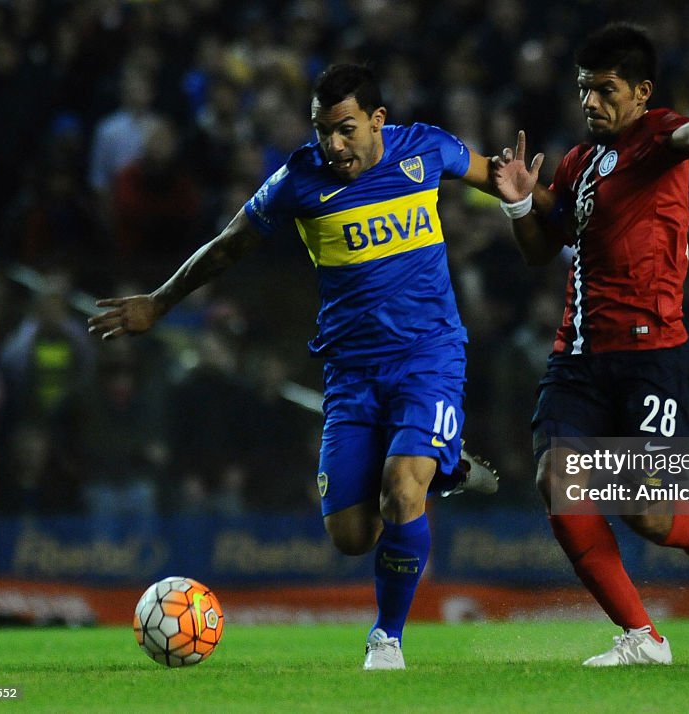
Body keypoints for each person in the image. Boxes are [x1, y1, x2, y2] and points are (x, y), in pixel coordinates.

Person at [87, 63, 497, 670]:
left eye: (345, 129)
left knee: (401, 489)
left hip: (427, 355)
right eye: (321, 130)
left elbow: (498, 177)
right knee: (351, 537)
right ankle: (447, 464)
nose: (332, 144)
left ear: (377, 121)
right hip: (351, 373)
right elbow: (228, 244)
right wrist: (160, 302)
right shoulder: (298, 179)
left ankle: (387, 641)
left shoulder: (425, 149)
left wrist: (543, 204)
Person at [492, 22, 689, 666]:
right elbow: (544, 251)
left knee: (645, 511)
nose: (590, 103)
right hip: (578, 353)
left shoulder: (656, 137)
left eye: (604, 90)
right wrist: (519, 206)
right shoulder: (577, 163)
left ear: (641, 92)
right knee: (555, 478)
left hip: (650, 353)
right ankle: (642, 637)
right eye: (583, 90)